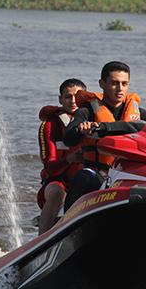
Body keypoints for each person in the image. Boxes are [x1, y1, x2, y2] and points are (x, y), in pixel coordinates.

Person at [62, 61, 146, 209]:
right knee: (83, 176)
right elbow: (68, 138)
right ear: (102, 84)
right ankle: (66, 223)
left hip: (129, 176)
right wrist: (80, 129)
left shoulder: (140, 115)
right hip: (98, 175)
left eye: (124, 84)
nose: (120, 89)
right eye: (114, 83)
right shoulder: (86, 112)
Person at [36, 78, 87, 233]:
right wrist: (68, 159)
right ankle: (41, 243)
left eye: (77, 97)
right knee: (57, 193)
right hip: (59, 182)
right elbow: (50, 168)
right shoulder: (50, 126)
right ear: (60, 99)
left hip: (89, 179)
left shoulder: (96, 120)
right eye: (67, 97)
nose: (73, 101)